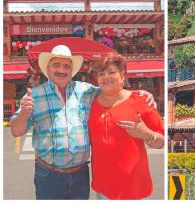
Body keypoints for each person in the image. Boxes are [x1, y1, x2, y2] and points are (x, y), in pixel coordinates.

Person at [10, 45, 155, 200]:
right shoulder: (35, 96)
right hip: (48, 175)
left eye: (67, 66)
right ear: (48, 68)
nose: (62, 70)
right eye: (56, 65)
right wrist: (24, 113)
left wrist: (138, 94)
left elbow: (112, 89)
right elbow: (16, 131)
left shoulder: (86, 90)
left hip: (80, 174)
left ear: (72, 71)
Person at [89, 54, 164, 200]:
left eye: (111, 72)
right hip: (104, 187)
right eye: (101, 74)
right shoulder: (89, 102)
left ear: (122, 75)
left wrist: (147, 134)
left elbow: (161, 141)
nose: (106, 77)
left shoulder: (139, 102)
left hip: (134, 186)